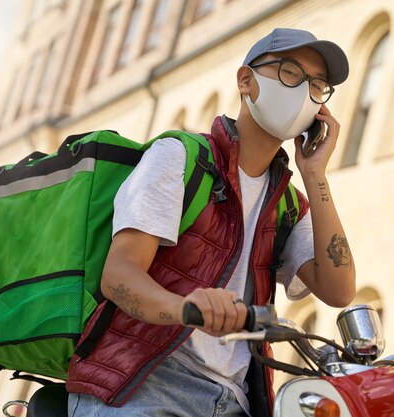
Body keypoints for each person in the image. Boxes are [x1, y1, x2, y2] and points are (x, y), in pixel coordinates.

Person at [66, 27, 356, 417]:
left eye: (317, 85)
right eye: (290, 73)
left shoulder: (287, 202)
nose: (304, 91)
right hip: (143, 385)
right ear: (245, 80)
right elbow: (118, 276)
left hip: (234, 401)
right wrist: (188, 306)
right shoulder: (181, 157)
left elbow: (339, 291)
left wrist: (315, 175)